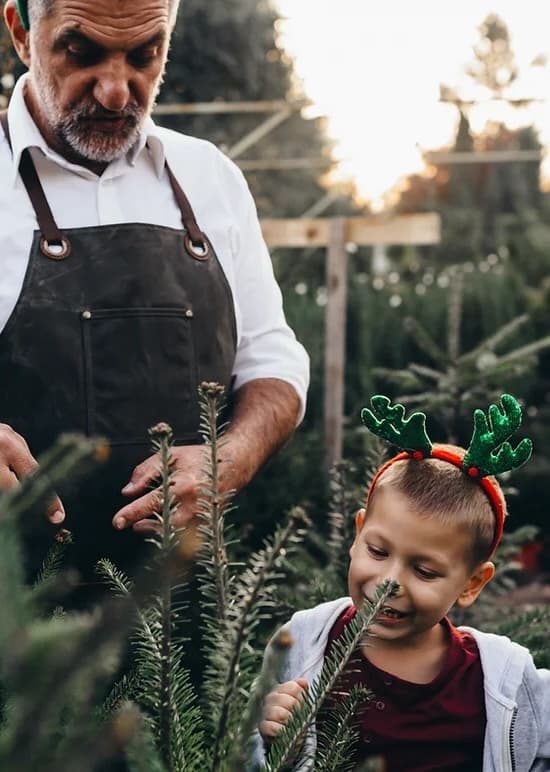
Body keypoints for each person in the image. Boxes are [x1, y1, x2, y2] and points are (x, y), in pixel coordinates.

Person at [0, 0, 309, 582]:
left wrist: (229, 460)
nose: (118, 91)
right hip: (17, 624)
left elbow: (273, 361)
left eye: (145, 55)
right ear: (20, 31)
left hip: (183, 615)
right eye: (81, 51)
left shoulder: (210, 177)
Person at [250, 395, 550, 772]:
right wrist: (271, 739)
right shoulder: (301, 644)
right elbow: (244, 753)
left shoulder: (502, 680)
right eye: (377, 551)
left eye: (424, 571)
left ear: (472, 583)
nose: (390, 583)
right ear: (358, 536)